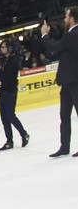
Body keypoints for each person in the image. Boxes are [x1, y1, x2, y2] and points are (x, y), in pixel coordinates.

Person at [41, 10, 78, 157]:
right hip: (68, 81)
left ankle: (64, 147)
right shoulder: (70, 34)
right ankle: (64, 147)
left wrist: (44, 34)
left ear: (73, 19)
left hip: (73, 80)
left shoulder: (71, 35)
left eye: (66, 16)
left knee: (67, 115)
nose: (65, 19)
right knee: (64, 115)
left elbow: (53, 48)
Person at [0, 41, 29, 151]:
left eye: (3, 47)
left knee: (11, 116)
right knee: (4, 118)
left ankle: (24, 134)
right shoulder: (7, 60)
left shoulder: (13, 61)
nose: (1, 49)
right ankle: (9, 141)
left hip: (10, 92)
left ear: (10, 48)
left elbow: (2, 76)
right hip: (4, 92)